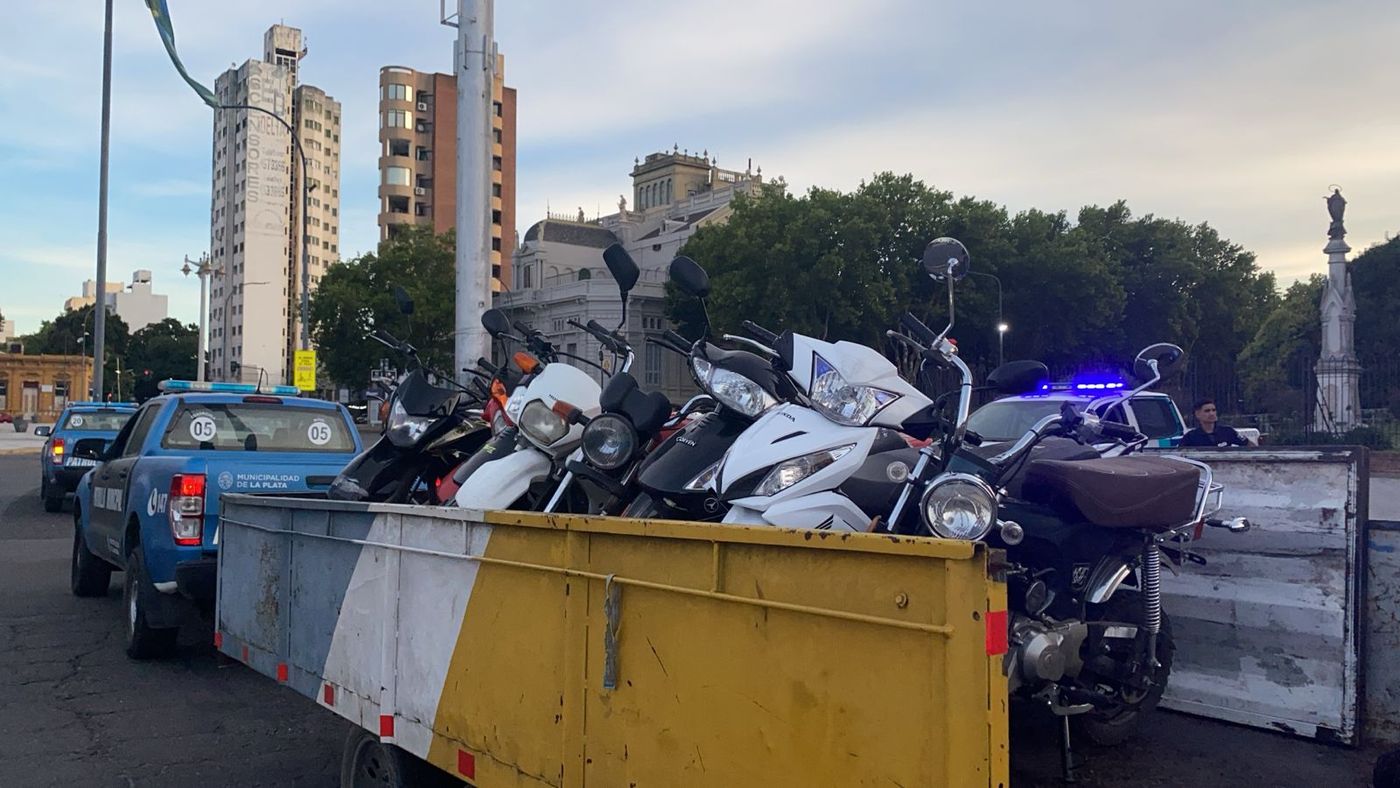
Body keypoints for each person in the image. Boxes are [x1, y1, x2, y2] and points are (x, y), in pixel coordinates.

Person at [1180, 398, 1251, 447]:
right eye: (1207, 411)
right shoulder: (1190, 437)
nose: (1211, 413)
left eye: (1213, 410)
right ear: (1197, 414)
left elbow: (1250, 446)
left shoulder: (1228, 431)